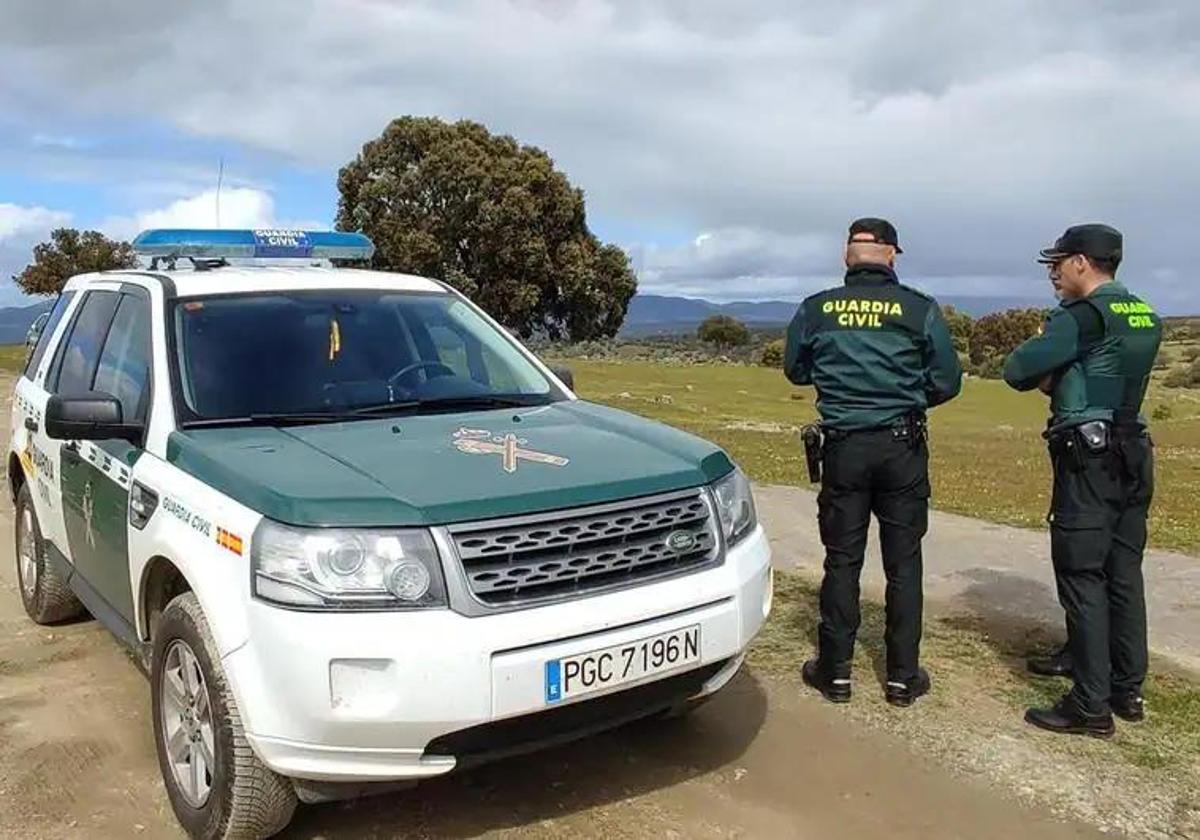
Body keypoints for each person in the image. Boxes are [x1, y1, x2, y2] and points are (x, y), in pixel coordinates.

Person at [785, 218, 962, 707]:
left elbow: (796, 369)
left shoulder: (816, 308)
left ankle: (835, 672)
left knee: (843, 560)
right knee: (904, 564)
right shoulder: (919, 309)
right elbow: (948, 382)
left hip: (844, 447)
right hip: (901, 447)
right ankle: (903, 676)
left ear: (847, 256)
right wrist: (904, 397)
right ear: (892, 256)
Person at [1003, 223, 1162, 737]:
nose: (1052, 271)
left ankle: (1090, 705)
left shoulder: (1080, 318)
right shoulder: (1145, 314)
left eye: (1059, 261)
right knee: (1122, 571)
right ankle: (1125, 687)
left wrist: (1058, 372)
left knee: (1081, 573)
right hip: (1133, 447)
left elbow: (1018, 369)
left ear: (1081, 264)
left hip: (1087, 456)